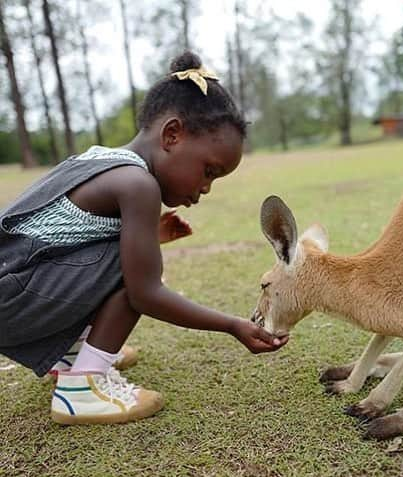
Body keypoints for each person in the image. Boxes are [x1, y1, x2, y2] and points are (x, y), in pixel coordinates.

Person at [0, 50, 289, 425]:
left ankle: (74, 355)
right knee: (140, 275)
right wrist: (232, 325)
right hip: (11, 301)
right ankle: (82, 389)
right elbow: (144, 294)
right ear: (172, 134)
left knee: (136, 263)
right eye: (208, 171)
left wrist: (148, 236)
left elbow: (55, 238)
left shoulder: (98, 159)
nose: (205, 189)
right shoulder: (139, 185)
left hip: (12, 287)